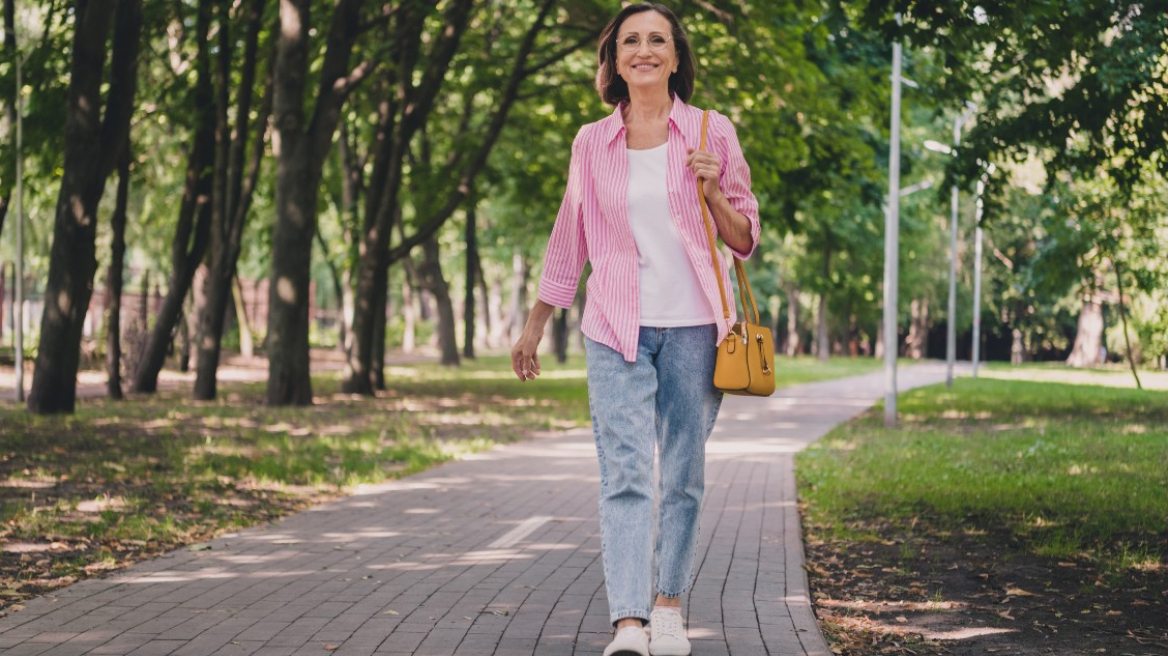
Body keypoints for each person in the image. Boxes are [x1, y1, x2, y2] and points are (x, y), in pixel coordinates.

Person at [510, 3, 759, 655]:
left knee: (681, 475)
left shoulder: (711, 130)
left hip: (696, 330)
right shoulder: (591, 141)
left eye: (657, 40)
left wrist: (714, 192)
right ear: (615, 60)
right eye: (630, 41)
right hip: (615, 327)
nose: (644, 50)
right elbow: (570, 235)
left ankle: (668, 606)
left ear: (675, 57)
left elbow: (744, 238)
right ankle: (628, 622)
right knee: (624, 474)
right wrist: (535, 323)